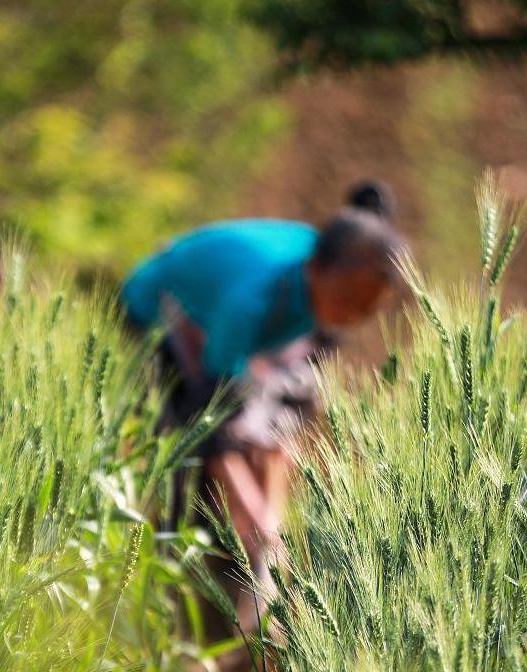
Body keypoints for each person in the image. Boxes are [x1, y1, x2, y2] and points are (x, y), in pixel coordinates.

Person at [121, 181, 403, 629]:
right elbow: (208, 421)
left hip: (237, 341)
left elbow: (286, 412)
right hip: (166, 315)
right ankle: (178, 611)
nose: (354, 317)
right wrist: (255, 517)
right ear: (317, 271)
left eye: (366, 310)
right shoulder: (251, 302)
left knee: (255, 467)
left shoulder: (328, 298)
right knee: (190, 474)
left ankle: (244, 612)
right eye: (349, 303)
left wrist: (270, 522)